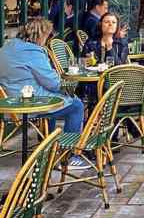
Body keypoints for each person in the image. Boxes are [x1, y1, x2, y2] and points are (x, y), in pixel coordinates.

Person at [0, 19, 88, 169]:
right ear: (41, 35)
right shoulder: (33, 51)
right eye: (48, 35)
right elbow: (52, 83)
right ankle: (68, 156)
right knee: (76, 105)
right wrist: (67, 87)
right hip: (31, 103)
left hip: (9, 103)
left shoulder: (7, 47)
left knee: (55, 102)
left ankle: (47, 147)